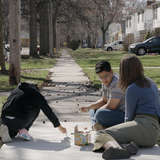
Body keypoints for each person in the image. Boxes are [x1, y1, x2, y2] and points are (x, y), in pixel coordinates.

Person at [93, 55, 160, 160]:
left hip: (142, 126)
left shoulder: (132, 88)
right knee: (116, 134)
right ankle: (130, 146)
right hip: (155, 132)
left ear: (124, 71)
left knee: (101, 134)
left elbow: (128, 118)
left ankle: (117, 149)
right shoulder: (152, 83)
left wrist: (119, 131)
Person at [0, 82, 66, 143]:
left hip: (4, 118)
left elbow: (6, 103)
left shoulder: (16, 90)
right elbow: (48, 111)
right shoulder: (36, 94)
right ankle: (24, 130)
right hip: (19, 120)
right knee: (37, 107)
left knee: (12, 133)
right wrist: (59, 126)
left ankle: (8, 131)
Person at [80, 60, 125, 130]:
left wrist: (97, 113)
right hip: (112, 112)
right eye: (101, 77)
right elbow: (104, 101)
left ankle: (96, 124)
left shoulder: (117, 83)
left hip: (122, 114)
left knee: (100, 114)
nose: (104, 80)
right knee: (92, 109)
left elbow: (111, 106)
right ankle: (98, 125)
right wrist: (89, 107)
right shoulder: (105, 82)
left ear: (111, 72)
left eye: (106, 76)